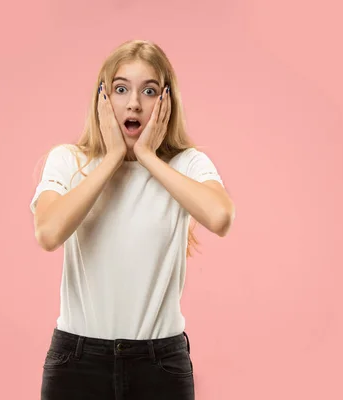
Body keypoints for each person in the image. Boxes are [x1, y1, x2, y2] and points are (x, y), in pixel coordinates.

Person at [29, 39, 235, 400]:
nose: (134, 103)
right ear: (102, 98)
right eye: (121, 89)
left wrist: (147, 157)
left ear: (167, 100)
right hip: (78, 362)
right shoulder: (68, 161)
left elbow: (220, 217)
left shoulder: (186, 165)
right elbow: (48, 233)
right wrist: (110, 159)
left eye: (150, 90)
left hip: (159, 364)